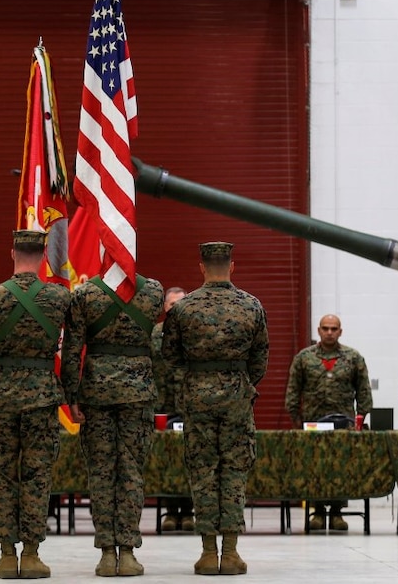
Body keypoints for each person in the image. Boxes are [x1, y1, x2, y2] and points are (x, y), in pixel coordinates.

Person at [0, 230, 71, 580]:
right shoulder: (59, 298)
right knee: (37, 477)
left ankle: (7, 555)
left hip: (1, 398)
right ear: (43, 256)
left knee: (3, 477)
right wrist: (69, 393)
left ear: (12, 253)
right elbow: (71, 352)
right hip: (42, 397)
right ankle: (33, 553)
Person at [162, 242, 269, 577]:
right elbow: (260, 358)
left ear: (201, 267)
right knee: (235, 471)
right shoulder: (251, 305)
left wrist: (194, 381)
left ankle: (208, 553)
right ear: (232, 266)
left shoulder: (183, 308)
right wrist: (238, 381)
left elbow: (170, 355)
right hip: (237, 397)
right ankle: (232, 552)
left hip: (197, 398)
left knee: (203, 471)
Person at [62, 264, 164, 576]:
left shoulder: (85, 294)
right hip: (138, 393)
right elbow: (159, 347)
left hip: (96, 393)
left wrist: (71, 395)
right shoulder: (154, 292)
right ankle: (128, 552)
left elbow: (71, 349)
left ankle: (107, 552)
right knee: (131, 471)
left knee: (101, 473)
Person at [284, 314, 373, 531]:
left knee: (341, 468)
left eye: (334, 328)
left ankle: (336, 513)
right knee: (314, 467)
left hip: (344, 425)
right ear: (319, 330)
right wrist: (296, 418)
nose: (330, 332)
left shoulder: (353, 358)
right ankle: (317, 512)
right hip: (313, 424)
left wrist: (360, 419)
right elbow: (293, 390)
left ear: (340, 331)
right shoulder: (304, 358)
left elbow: (363, 392)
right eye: (326, 328)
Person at [149, 286, 193, 533]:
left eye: (180, 304)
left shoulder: (195, 334)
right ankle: (169, 511)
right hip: (161, 407)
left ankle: (188, 512)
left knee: (189, 459)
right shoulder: (153, 334)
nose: (175, 308)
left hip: (188, 407)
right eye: (171, 304)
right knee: (166, 460)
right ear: (164, 307)